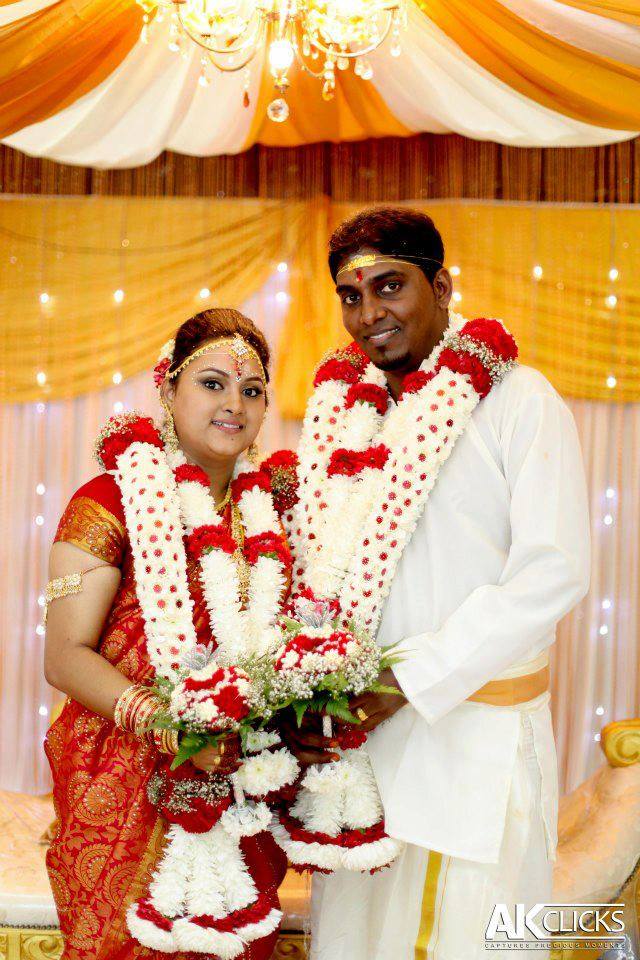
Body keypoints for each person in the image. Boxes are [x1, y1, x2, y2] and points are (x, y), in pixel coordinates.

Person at [282, 208, 591, 959]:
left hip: (471, 745)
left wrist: (406, 681)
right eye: (351, 296)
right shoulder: (340, 415)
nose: (369, 314)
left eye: (390, 285)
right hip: (359, 753)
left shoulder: (520, 401)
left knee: (464, 940)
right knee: (352, 940)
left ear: (442, 285)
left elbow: (555, 570)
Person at [43, 308, 288, 960]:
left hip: (236, 780)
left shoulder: (273, 518)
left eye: (252, 389)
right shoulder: (108, 500)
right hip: (124, 779)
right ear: (167, 390)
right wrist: (169, 726)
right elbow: (65, 657)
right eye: (212, 383)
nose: (234, 403)